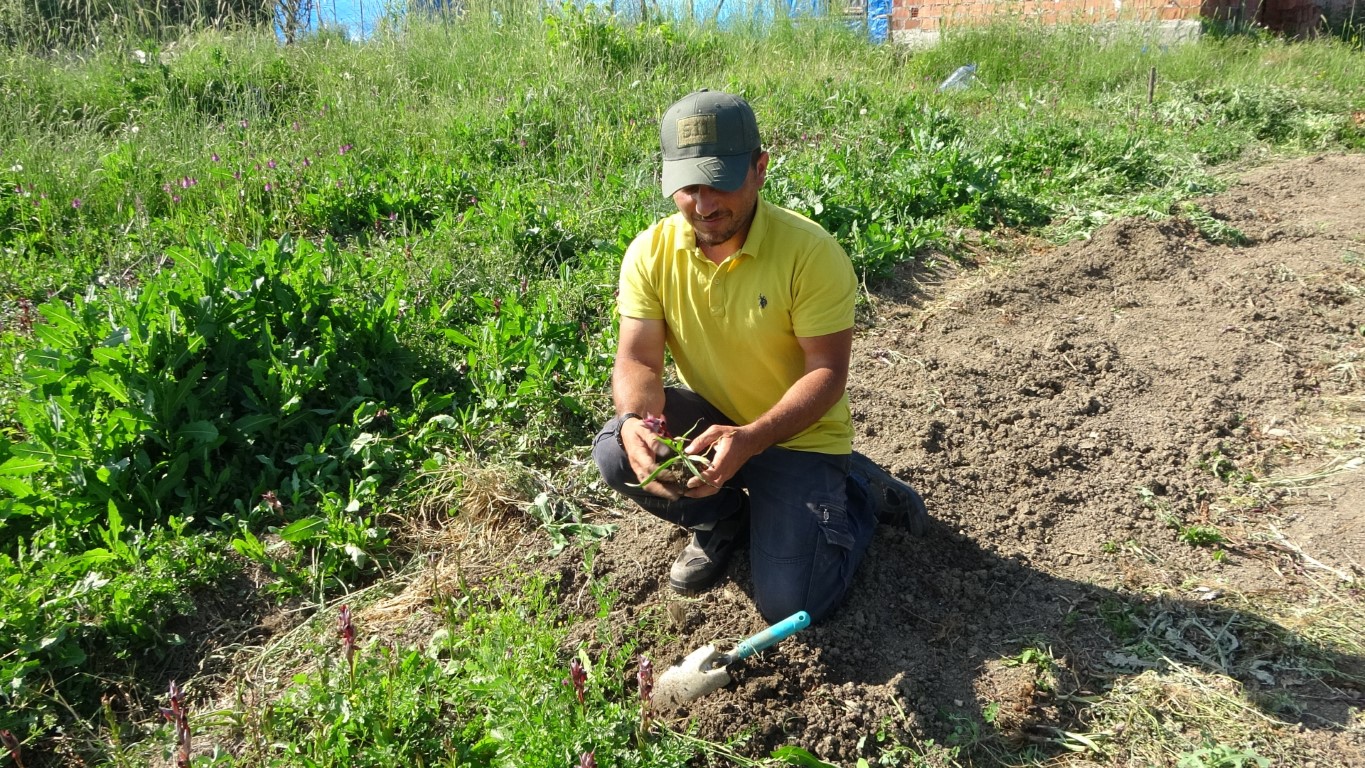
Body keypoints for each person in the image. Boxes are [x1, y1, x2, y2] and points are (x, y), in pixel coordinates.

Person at [591, 90, 928, 624]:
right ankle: (724, 518)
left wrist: (750, 440)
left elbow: (827, 373)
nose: (702, 205)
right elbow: (638, 361)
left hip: (800, 437)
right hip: (717, 417)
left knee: (791, 603)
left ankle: (858, 493)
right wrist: (640, 420)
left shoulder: (809, 253)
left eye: (720, 181)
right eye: (687, 186)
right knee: (616, 450)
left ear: (760, 169)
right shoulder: (651, 252)